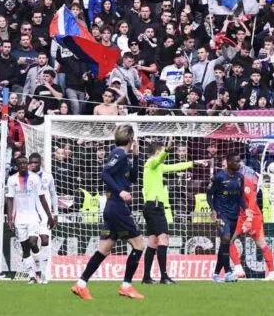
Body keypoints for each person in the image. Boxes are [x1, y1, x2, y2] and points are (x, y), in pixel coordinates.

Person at [72, 124, 146, 300]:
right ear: (130, 139)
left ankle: (81, 284)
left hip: (112, 208)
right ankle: (126, 286)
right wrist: (120, 191)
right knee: (139, 245)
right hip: (118, 207)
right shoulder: (119, 154)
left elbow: (134, 178)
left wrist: (136, 156)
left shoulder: (124, 156)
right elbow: (104, 173)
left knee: (104, 249)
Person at [140, 140, 205, 283]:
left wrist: (194, 163)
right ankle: (164, 276)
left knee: (152, 241)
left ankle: (146, 277)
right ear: (158, 152)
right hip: (154, 207)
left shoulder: (157, 167)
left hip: (152, 206)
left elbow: (175, 166)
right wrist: (167, 150)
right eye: (162, 151)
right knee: (164, 239)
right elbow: (160, 158)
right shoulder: (151, 163)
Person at [6, 153, 55, 283]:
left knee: (33, 243)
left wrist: (50, 216)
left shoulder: (35, 178)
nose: (23, 166)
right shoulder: (11, 180)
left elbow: (42, 198)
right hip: (19, 218)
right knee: (25, 248)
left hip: (33, 216)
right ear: (16, 166)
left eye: (25, 163)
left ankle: (39, 270)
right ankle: (32, 276)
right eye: (20, 164)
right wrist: (10, 218)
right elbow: (10, 200)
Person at [229, 162, 274, 279]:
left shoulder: (244, 181)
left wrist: (249, 219)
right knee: (228, 240)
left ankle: (272, 272)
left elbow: (252, 199)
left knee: (261, 243)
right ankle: (239, 269)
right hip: (240, 216)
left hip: (252, 216)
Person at [209, 151, 247, 282]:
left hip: (234, 214)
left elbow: (240, 197)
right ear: (229, 162)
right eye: (236, 161)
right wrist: (213, 210)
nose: (239, 163)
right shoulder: (219, 177)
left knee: (225, 244)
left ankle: (215, 274)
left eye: (239, 161)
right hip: (221, 214)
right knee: (225, 239)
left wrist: (246, 210)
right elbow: (209, 194)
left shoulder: (240, 177)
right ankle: (228, 272)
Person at [27, 152, 59, 281]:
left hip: (45, 213)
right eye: (31, 162)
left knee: (45, 240)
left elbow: (53, 194)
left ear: (40, 163)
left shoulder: (48, 176)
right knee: (32, 243)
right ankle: (39, 268)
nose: (33, 164)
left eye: (35, 162)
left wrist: (55, 214)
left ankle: (44, 272)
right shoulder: (26, 177)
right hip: (31, 214)